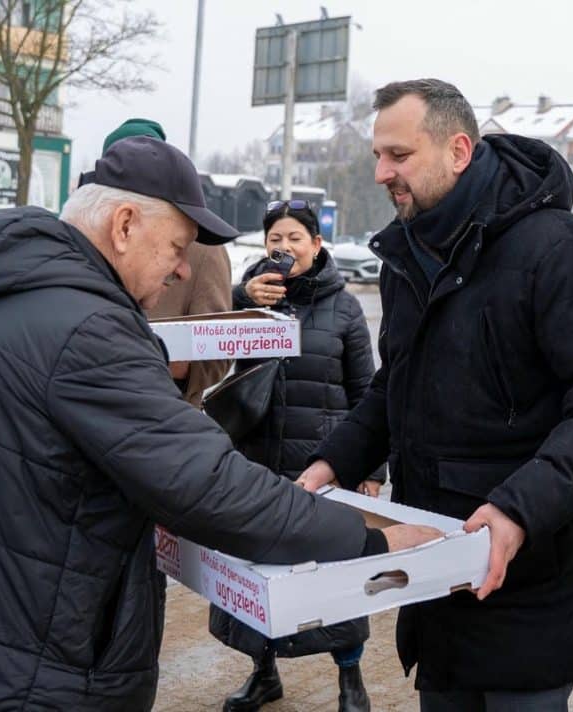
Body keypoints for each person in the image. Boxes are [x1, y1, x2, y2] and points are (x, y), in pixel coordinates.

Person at [0, 136, 443, 712]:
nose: (183, 270)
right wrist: (369, 542)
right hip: (8, 666)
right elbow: (208, 486)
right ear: (125, 224)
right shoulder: (88, 328)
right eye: (177, 247)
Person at [297, 79, 573, 711]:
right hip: (438, 570)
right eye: (378, 155)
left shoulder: (559, 249)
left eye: (399, 156)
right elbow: (394, 383)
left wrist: (519, 510)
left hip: (530, 578)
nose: (381, 172)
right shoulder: (408, 252)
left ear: (458, 151)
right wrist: (335, 460)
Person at [210, 200, 385, 712]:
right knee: (257, 573)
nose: (283, 248)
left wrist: (371, 468)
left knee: (336, 574)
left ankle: (350, 680)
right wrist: (244, 298)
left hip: (323, 464)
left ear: (316, 244)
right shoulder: (250, 300)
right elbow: (209, 349)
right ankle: (264, 674)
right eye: (274, 240)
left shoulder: (345, 308)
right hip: (258, 460)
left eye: (293, 239)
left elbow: (367, 391)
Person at [86, 119, 234, 407]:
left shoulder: (205, 249)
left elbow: (219, 351)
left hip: (165, 411)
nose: (182, 269)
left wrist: (156, 362)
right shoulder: (85, 238)